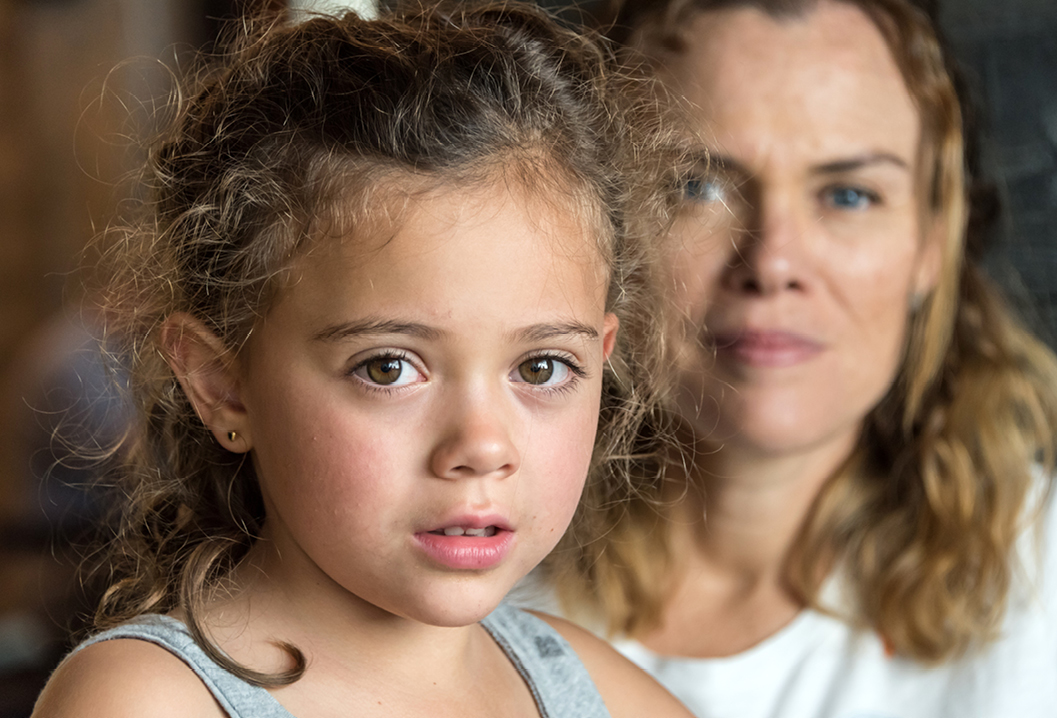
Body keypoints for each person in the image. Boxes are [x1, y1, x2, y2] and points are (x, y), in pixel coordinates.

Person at [533, 1, 1057, 716]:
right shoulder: (456, 581)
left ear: (930, 242)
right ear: (598, 221)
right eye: (697, 185)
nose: (774, 260)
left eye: (848, 194)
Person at [31, 5, 695, 716]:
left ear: (603, 359)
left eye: (541, 368)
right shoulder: (148, 702)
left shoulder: (596, 692)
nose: (480, 447)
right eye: (388, 368)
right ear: (221, 385)